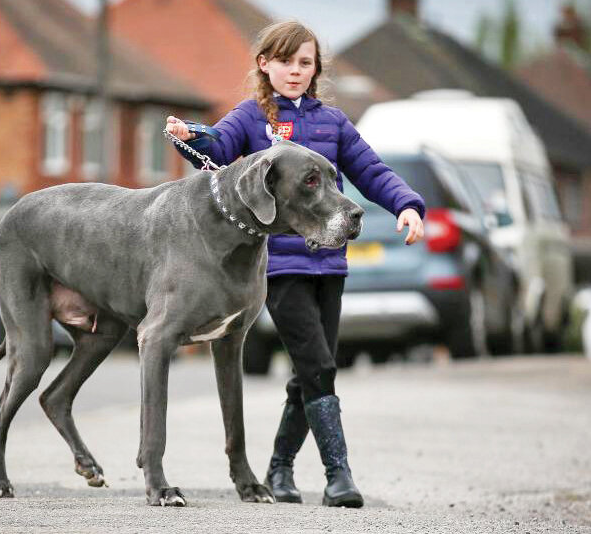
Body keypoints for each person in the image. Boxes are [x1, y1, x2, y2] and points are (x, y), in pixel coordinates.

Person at [166, 21, 425, 508]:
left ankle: (279, 468)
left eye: (305, 63)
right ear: (264, 64)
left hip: (331, 266)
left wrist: (406, 205)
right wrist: (192, 136)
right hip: (279, 266)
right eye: (286, 61)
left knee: (315, 369)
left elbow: (371, 171)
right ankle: (338, 477)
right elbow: (217, 148)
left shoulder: (333, 124)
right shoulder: (250, 118)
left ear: (316, 70)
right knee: (318, 365)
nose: (295, 71)